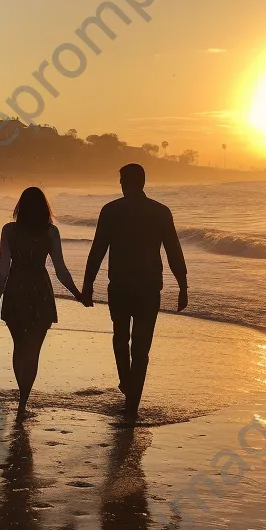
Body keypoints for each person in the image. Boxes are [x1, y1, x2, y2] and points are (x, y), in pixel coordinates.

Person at [82, 163, 188, 421]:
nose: (119, 183)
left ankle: (127, 385)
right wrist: (183, 286)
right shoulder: (160, 212)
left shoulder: (111, 211)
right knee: (141, 347)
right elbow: (174, 250)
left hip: (119, 286)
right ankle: (132, 402)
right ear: (143, 182)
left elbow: (98, 249)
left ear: (124, 182)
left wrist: (88, 285)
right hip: (149, 287)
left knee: (120, 337)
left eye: (120, 179)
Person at [0, 186, 85, 422]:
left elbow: (3, 268)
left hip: (15, 289)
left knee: (19, 347)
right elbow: (61, 270)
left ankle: (22, 397)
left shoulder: (9, 231)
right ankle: (24, 401)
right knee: (33, 350)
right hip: (40, 291)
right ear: (45, 208)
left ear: (20, 207)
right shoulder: (51, 232)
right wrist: (78, 293)